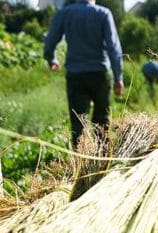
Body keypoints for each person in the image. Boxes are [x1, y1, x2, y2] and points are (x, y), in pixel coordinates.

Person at [44, 0, 124, 148]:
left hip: (76, 75)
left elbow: (50, 40)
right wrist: (118, 77)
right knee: (102, 123)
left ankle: (78, 164)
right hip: (100, 75)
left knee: (78, 124)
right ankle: (103, 160)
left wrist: (51, 59)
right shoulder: (103, 13)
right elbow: (114, 48)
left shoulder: (65, 13)